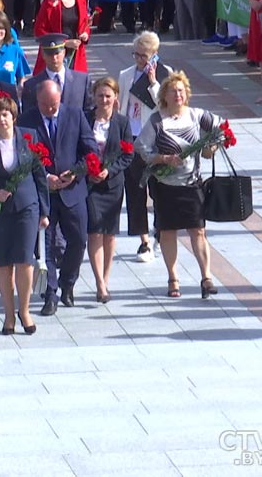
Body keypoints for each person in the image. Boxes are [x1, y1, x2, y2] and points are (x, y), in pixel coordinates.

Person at [135, 72, 221, 300]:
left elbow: (220, 129)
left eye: (182, 90)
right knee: (168, 231)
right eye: (174, 91)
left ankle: (206, 277)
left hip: (192, 184)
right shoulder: (157, 120)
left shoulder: (196, 115)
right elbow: (141, 147)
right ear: (165, 95)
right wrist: (163, 158)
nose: (178, 95)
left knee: (198, 230)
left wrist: (210, 148)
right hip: (165, 186)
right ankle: (173, 278)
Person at [19, 80, 96, 316]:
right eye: (45, 105)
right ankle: (50, 294)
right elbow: (23, 156)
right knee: (46, 246)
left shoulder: (74, 115)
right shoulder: (27, 120)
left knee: (79, 240)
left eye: (54, 105)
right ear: (37, 101)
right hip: (44, 195)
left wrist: (75, 172)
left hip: (73, 192)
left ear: (60, 98)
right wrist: (46, 176)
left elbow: (90, 150)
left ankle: (67, 283)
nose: (50, 109)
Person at [0, 96, 48, 335]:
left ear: (13, 117)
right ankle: (8, 315)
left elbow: (40, 174)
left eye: (6, 114)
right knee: (4, 263)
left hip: (27, 207)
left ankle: (25, 310)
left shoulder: (29, 137)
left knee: (24, 260)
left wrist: (45, 211)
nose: (2, 119)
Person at [117, 30, 172, 263]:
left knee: (159, 191)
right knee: (135, 192)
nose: (140, 60)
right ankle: (143, 241)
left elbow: (166, 106)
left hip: (156, 141)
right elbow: (121, 106)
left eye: (144, 56)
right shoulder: (126, 75)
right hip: (132, 139)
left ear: (154, 54)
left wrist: (152, 83)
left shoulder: (166, 73)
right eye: (136, 55)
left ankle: (160, 234)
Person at [85, 77, 134, 304]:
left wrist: (110, 171)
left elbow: (128, 154)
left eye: (108, 96)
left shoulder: (122, 123)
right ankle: (99, 283)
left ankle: (106, 278)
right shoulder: (85, 119)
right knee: (94, 230)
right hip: (91, 184)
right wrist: (88, 170)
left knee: (110, 232)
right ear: (94, 97)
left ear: (115, 98)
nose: (104, 100)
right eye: (100, 95)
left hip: (113, 185)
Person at [33, 0, 90, 74]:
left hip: (76, 56)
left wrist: (86, 34)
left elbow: (85, 24)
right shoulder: (49, 3)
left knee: (75, 89)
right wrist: (64, 43)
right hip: (54, 55)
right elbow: (39, 31)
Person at [22, 33, 91, 114]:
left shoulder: (82, 81)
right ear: (43, 55)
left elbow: (88, 111)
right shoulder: (31, 86)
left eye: (57, 53)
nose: (54, 58)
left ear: (64, 52)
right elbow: (28, 117)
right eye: (49, 54)